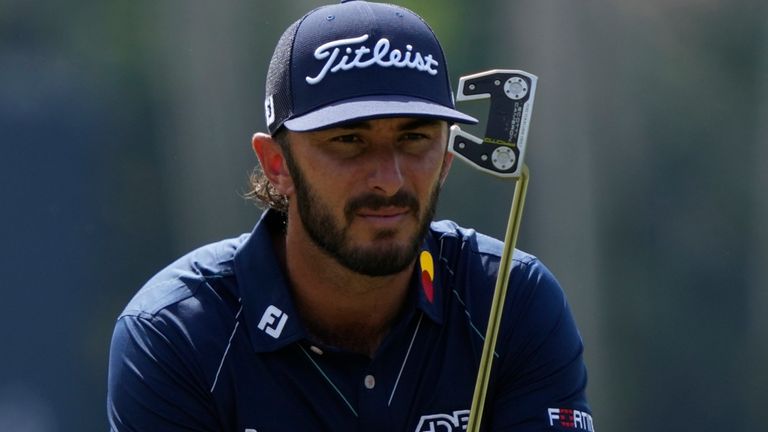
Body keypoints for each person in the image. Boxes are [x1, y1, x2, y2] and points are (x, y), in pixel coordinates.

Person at [106, 1, 594, 431]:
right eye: (348, 141)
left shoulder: (512, 300)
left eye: (414, 138)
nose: (389, 178)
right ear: (277, 164)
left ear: (445, 157)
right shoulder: (175, 334)